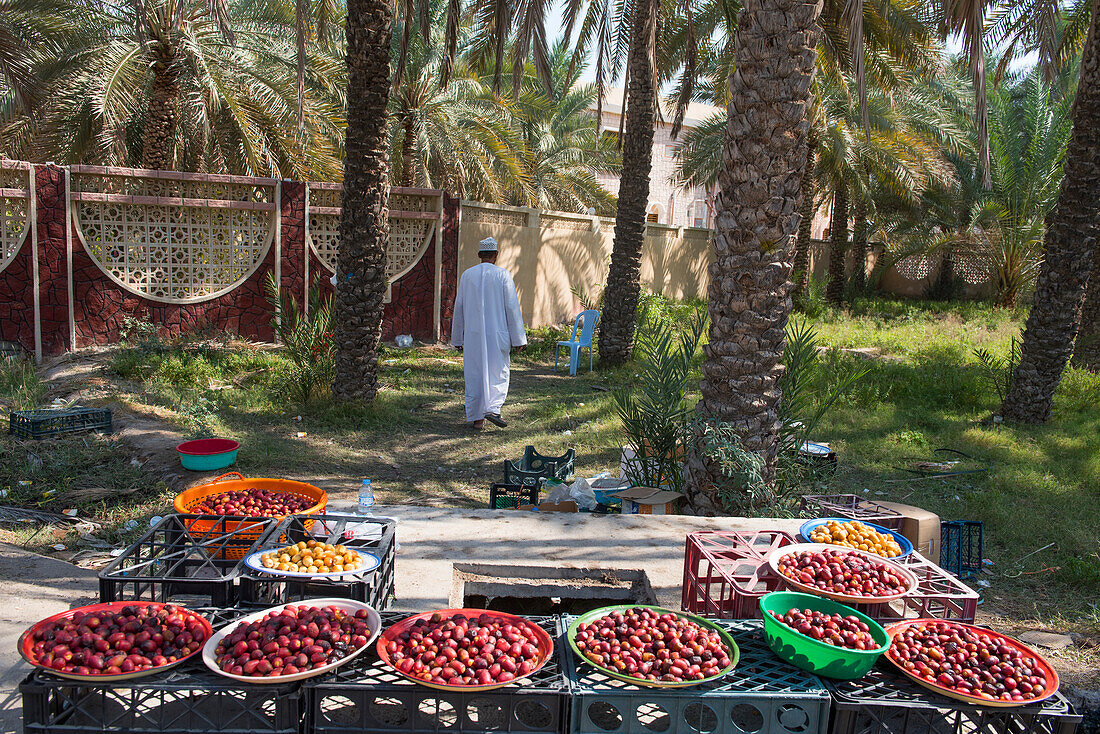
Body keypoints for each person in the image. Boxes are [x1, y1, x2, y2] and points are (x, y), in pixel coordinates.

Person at [451, 237, 527, 429]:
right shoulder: (503, 275)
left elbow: (458, 307)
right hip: (497, 334)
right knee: (497, 371)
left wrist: (457, 337)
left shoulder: (467, 275)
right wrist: (518, 339)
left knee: (475, 374)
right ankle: (493, 409)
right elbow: (512, 308)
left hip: (473, 336)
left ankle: (478, 420)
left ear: (479, 255)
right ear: (496, 255)